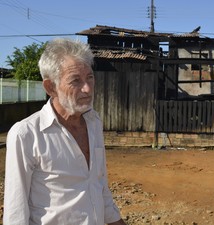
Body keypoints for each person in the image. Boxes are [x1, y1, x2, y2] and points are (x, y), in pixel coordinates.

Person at [3, 38, 126, 225]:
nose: (87, 88)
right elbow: (16, 213)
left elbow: (99, 185)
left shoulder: (94, 122)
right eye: (75, 80)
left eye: (90, 77)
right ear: (51, 87)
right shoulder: (25, 134)